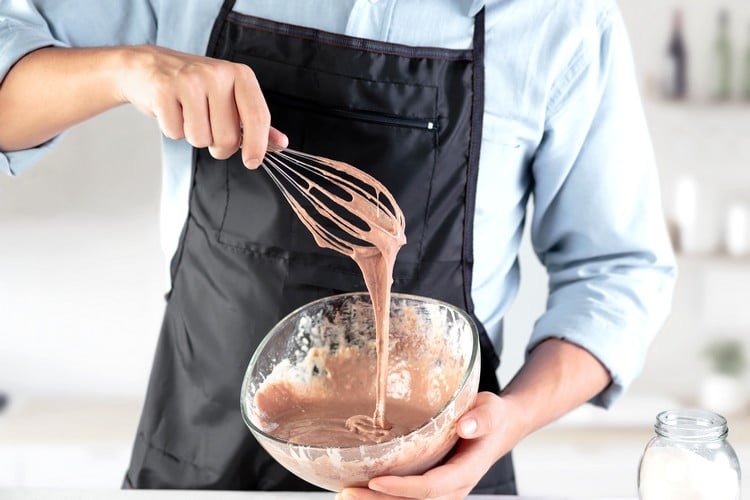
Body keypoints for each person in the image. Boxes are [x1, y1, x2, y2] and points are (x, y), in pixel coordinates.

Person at [0, 1, 676, 497]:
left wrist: (507, 423)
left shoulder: (560, 22)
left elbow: (619, 274)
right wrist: (128, 69)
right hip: (198, 461)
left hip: (438, 479)